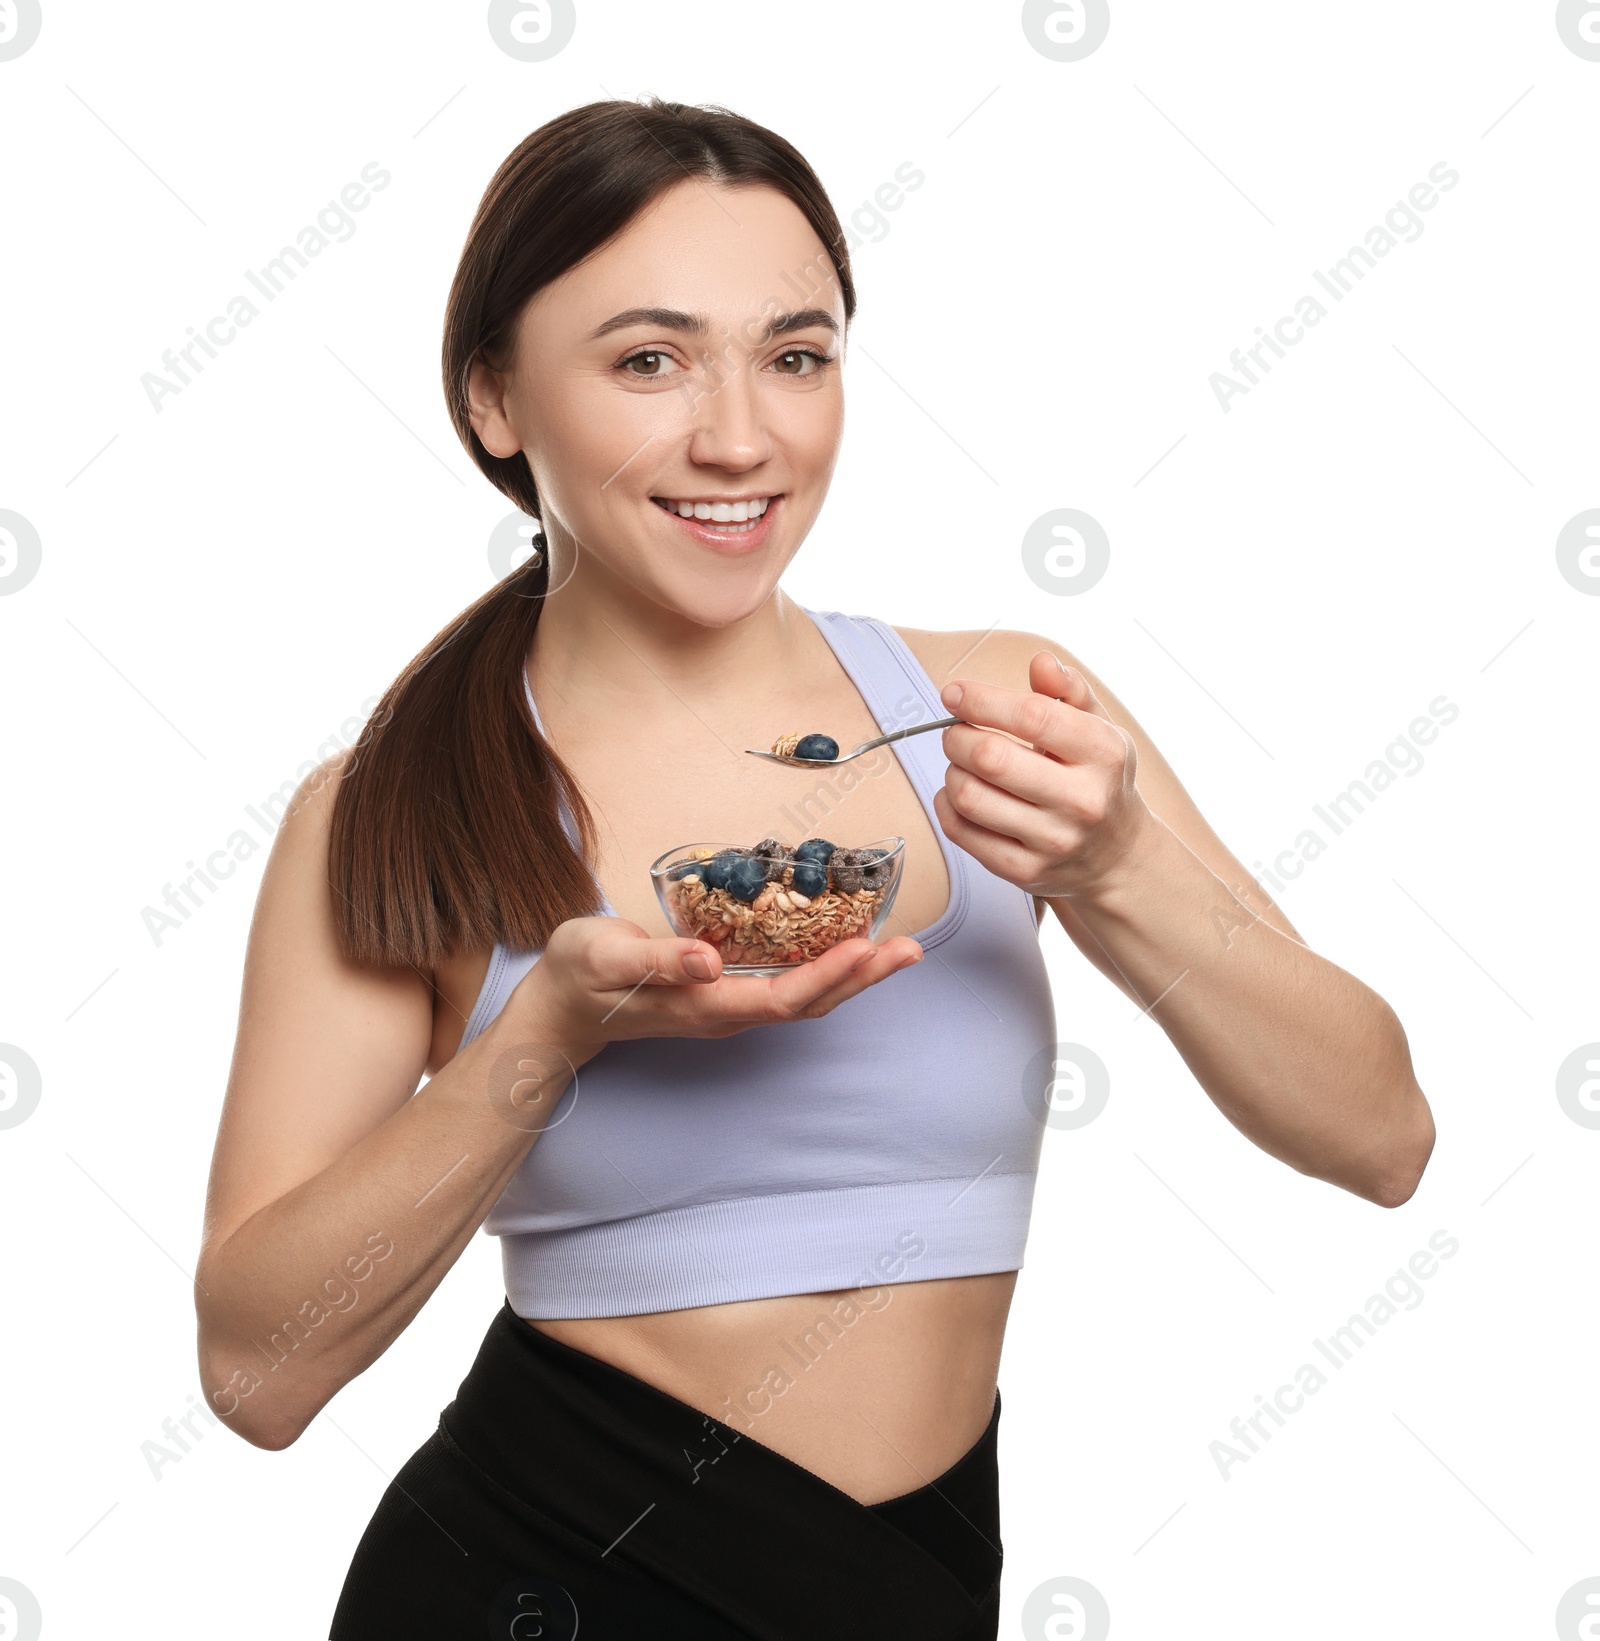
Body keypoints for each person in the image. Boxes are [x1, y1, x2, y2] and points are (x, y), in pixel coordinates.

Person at [193, 97, 1437, 1640]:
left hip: (911, 1589)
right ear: (496, 398)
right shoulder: (403, 804)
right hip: (533, 1581)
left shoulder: (991, 713)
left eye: (796, 354)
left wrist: (1118, 868)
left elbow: (1384, 1137)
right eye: (649, 360)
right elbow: (257, 1371)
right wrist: (543, 1048)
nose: (741, 435)